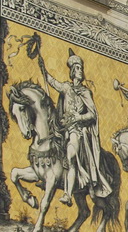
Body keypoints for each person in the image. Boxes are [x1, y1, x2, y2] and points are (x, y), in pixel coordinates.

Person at [39, 49, 108, 206]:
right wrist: (44, 69)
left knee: (70, 156)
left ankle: (68, 194)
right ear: (71, 71)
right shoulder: (66, 87)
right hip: (62, 129)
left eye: (80, 68)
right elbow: (53, 82)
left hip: (76, 131)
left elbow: (93, 115)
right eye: (76, 69)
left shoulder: (85, 92)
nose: (79, 71)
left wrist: (79, 117)